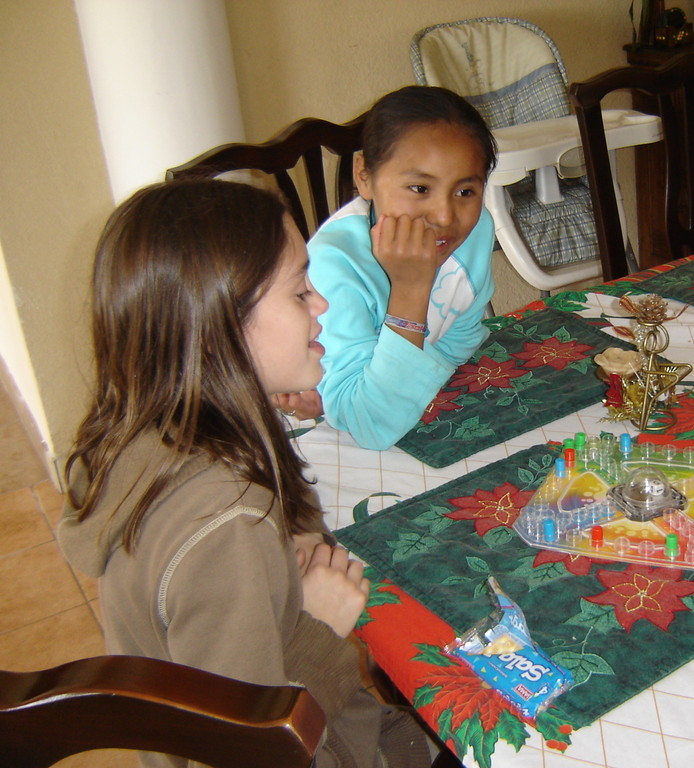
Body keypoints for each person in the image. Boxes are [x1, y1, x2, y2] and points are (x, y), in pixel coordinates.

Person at [57, 179, 431, 768]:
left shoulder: (152, 440)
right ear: (223, 328)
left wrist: (294, 540)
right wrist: (318, 627)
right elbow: (247, 752)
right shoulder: (226, 524)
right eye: (299, 291)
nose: (322, 305)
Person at [277, 85, 497, 450]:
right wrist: (411, 289)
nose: (444, 217)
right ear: (364, 175)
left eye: (465, 192)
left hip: (389, 414)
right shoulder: (334, 265)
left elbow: (460, 341)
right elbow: (370, 425)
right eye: (419, 188)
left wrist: (383, 392)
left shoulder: (476, 230)